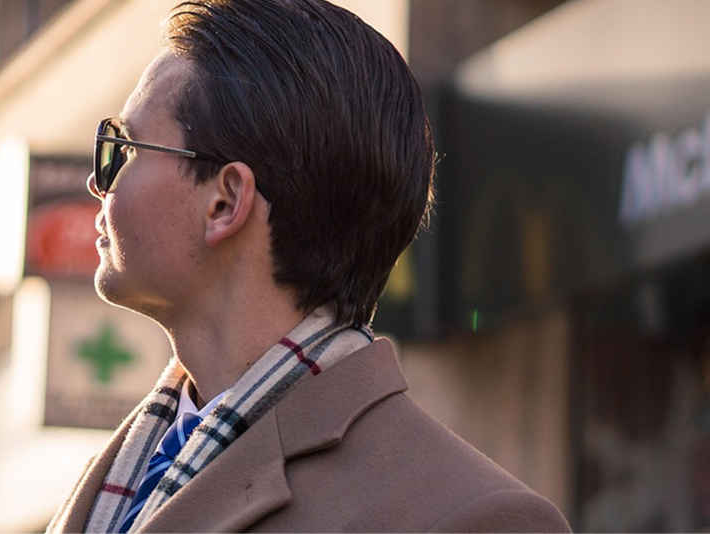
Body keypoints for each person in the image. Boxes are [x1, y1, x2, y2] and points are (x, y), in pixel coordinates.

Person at [48, 0, 570, 532]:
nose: (98, 181)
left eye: (123, 148)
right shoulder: (123, 475)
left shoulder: (474, 519)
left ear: (225, 203)